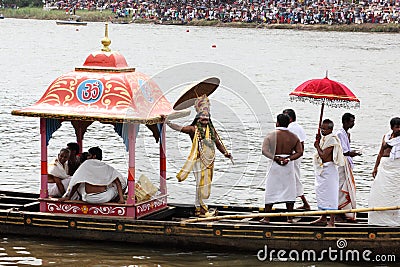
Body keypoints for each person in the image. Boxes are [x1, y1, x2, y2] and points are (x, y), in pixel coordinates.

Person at [163, 94, 232, 217]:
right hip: (198, 160)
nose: (205, 118)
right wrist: (168, 123)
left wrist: (226, 153)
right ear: (198, 119)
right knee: (201, 184)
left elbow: (218, 143)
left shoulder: (211, 130)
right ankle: (203, 209)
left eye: (207, 117)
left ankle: (198, 208)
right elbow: (180, 128)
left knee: (203, 185)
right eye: (203, 117)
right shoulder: (193, 129)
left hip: (209, 162)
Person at [260, 114, 303, 224]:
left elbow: (264, 150)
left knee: (271, 190)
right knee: (289, 190)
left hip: (275, 165)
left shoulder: (270, 135)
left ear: (277, 123)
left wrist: (275, 158)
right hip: (288, 166)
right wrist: (288, 159)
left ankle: (267, 218)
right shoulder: (293, 137)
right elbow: (300, 152)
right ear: (288, 123)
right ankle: (289, 218)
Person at [60, 147, 126, 204]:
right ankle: (119, 200)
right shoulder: (106, 166)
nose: (87, 157)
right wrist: (121, 199)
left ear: (94, 156)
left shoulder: (86, 164)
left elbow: (76, 182)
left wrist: (69, 197)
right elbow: (118, 182)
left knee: (80, 183)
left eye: (89, 155)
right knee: (115, 186)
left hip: (88, 198)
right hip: (104, 198)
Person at [312, 119, 346, 227]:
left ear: (330, 129)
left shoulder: (332, 139)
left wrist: (317, 146)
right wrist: (319, 142)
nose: (322, 130)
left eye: (325, 129)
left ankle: (332, 221)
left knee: (331, 195)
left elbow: (323, 155)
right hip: (322, 170)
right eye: (321, 128)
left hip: (329, 170)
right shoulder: (324, 139)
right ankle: (322, 217)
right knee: (321, 193)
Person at [369, 117, 400, 226]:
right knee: (379, 192)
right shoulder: (386, 137)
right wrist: (375, 167)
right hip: (384, 166)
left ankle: (394, 222)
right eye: (397, 127)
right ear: (392, 127)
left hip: (396, 168)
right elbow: (380, 152)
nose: (399, 129)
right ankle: (378, 221)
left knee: (395, 194)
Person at [283, 108, 310, 210]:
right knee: (294, 178)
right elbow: (302, 145)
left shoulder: (291, 128)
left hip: (292, 157)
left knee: (293, 180)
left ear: (290, 118)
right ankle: (303, 203)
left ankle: (297, 204)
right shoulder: (298, 127)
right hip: (297, 156)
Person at [336, 113, 361, 221]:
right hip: (342, 164)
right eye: (351, 121)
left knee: (345, 187)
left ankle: (344, 211)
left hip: (347, 163)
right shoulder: (340, 134)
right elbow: (343, 152)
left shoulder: (346, 134)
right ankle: (338, 211)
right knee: (341, 188)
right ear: (345, 122)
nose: (353, 123)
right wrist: (353, 153)